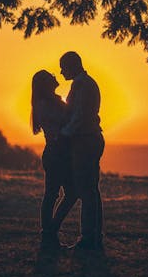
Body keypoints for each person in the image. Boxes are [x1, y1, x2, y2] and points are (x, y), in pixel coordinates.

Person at [59, 51, 105, 250]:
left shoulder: (82, 85)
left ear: (72, 65)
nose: (60, 72)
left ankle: (88, 237)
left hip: (86, 140)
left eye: (63, 67)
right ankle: (94, 235)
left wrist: (64, 133)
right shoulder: (85, 83)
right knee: (91, 190)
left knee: (87, 190)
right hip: (89, 139)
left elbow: (80, 115)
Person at [31, 70, 77, 250]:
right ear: (45, 84)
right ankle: (49, 232)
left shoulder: (54, 101)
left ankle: (51, 230)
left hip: (61, 152)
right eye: (50, 77)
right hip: (56, 152)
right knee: (53, 194)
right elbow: (62, 123)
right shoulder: (44, 104)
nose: (55, 76)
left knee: (69, 193)